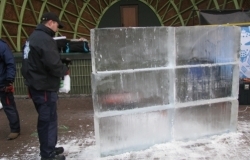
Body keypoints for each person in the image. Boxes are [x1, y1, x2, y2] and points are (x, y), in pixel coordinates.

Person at [21, 12, 69, 160]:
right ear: (50, 22)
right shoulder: (44, 39)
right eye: (56, 24)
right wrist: (64, 70)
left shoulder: (33, 37)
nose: (57, 28)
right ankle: (47, 155)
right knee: (48, 121)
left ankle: (49, 148)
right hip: (44, 86)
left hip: (36, 85)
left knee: (47, 119)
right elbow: (52, 63)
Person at [0, 39, 20, 140]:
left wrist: (9, 80)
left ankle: (15, 129)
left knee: (9, 106)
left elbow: (10, 63)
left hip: (3, 82)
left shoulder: (2, 46)